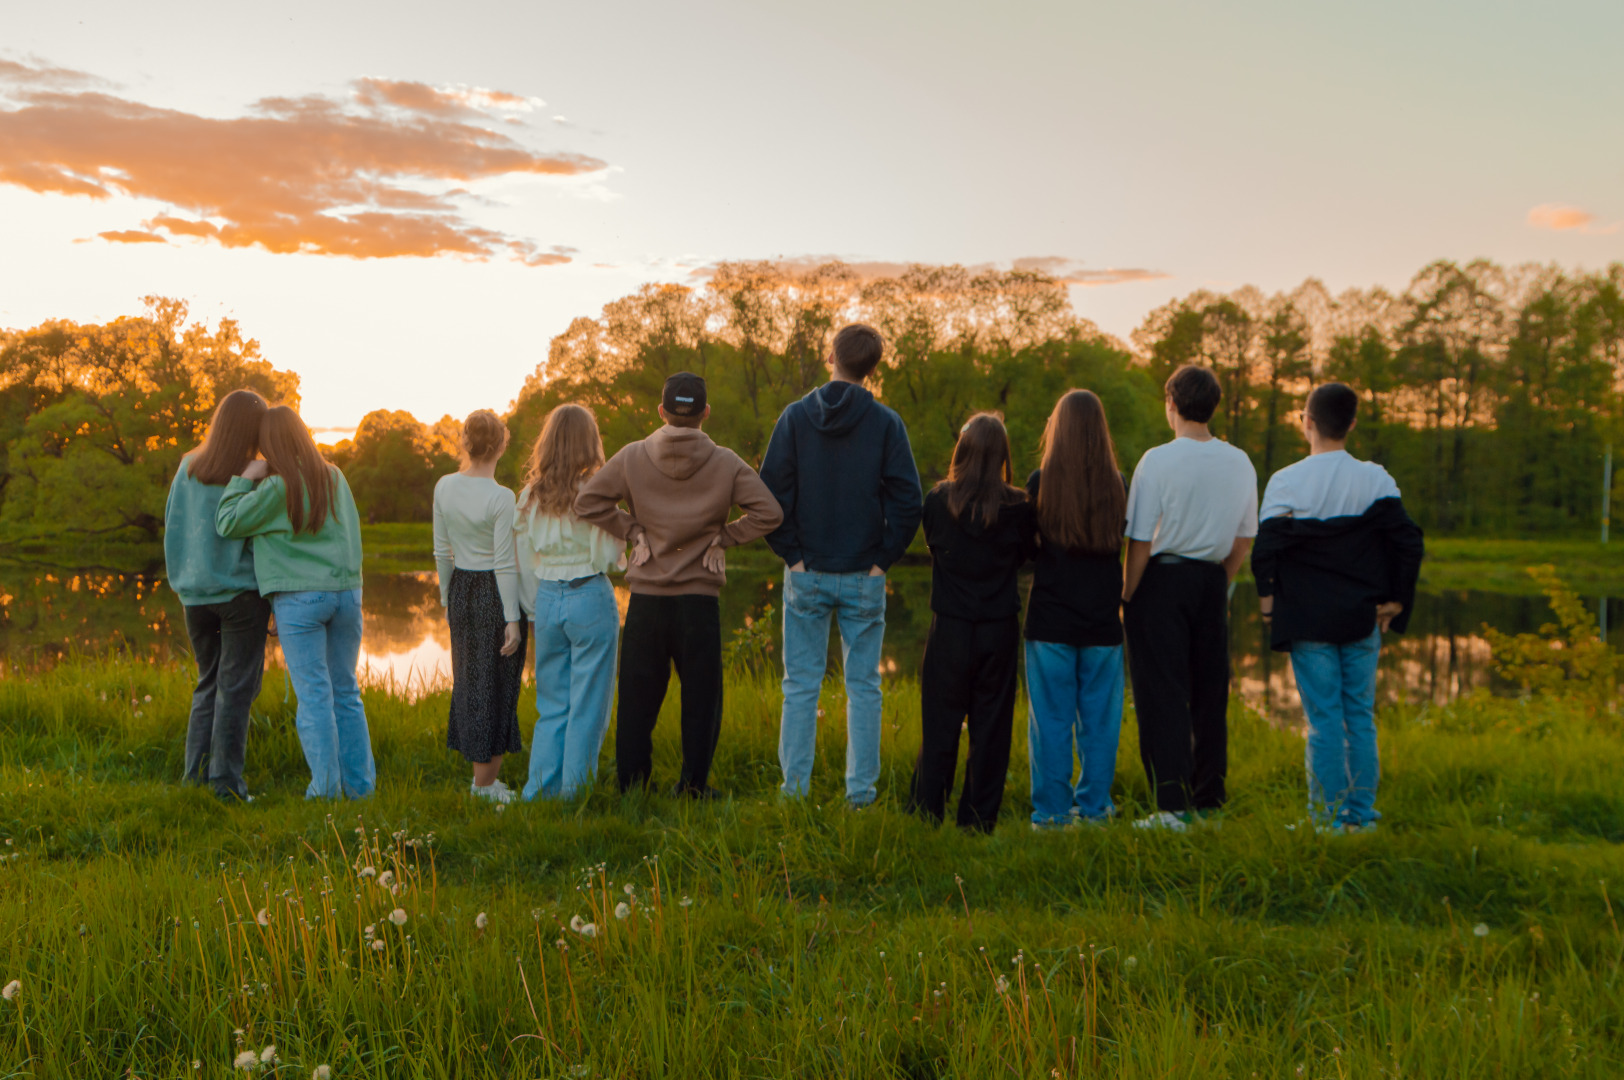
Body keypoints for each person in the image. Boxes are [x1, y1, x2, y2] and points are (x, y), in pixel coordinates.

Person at [575, 372, 783, 798]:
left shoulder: (633, 456)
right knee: (701, 702)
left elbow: (588, 502)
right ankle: (693, 787)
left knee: (636, 701)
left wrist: (633, 530)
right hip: (699, 602)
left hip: (647, 601)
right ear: (706, 412)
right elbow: (770, 513)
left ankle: (632, 786)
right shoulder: (726, 461)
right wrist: (723, 537)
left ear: (661, 411)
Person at [759, 323, 923, 808]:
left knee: (800, 687)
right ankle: (860, 798)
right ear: (873, 369)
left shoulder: (793, 418)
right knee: (864, 689)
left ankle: (794, 796)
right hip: (860, 578)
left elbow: (767, 498)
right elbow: (908, 502)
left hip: (809, 575)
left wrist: (794, 556)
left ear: (831, 355)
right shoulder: (887, 422)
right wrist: (883, 560)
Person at [1251, 382, 1423, 834]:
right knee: (1359, 716)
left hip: (1307, 619)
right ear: (1350, 424)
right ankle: (1360, 818)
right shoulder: (1375, 479)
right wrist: (1398, 600)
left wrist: (1268, 609)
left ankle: (1325, 821)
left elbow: (1265, 551)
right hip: (1362, 616)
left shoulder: (1285, 481)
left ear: (1307, 422)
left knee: (1324, 721)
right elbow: (1407, 541)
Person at [1122, 365, 1257, 831]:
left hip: (1161, 580)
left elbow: (1139, 540)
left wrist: (1127, 594)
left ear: (1171, 404)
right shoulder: (1240, 461)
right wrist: (1221, 581)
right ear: (1213, 407)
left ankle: (1171, 807)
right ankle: (1210, 801)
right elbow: (1244, 538)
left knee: (1162, 694)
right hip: (1210, 581)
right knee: (1208, 693)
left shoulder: (1156, 460)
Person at [215, 406, 373, 800]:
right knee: (346, 692)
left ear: (270, 445)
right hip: (347, 595)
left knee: (315, 696)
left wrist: (243, 479)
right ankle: (361, 790)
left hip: (300, 601)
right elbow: (352, 538)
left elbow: (227, 522)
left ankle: (325, 791)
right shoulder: (335, 476)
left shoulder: (276, 487)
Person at [907, 413, 1034, 833]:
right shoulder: (1019, 507)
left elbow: (933, 544)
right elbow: (1024, 558)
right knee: (991, 727)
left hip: (950, 628)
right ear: (1002, 455)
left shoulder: (938, 501)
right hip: (998, 627)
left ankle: (927, 811)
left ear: (961, 452)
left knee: (940, 722)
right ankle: (978, 820)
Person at [1024, 389, 1128, 829]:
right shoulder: (1118, 484)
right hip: (1103, 619)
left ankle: (1050, 814)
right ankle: (1094, 808)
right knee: (1100, 724)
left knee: (1050, 720)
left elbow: (1028, 552)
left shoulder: (1039, 482)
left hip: (1050, 618)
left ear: (1057, 428)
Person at [514, 404, 625, 801]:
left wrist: (530, 608)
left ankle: (539, 792)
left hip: (547, 600)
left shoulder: (529, 496)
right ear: (589, 443)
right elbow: (612, 555)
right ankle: (575, 796)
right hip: (589, 596)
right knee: (588, 706)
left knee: (552, 704)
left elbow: (524, 559)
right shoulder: (595, 492)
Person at [164, 388, 272, 802]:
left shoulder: (188, 466)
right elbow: (260, 536)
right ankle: (226, 785)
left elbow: (173, 526)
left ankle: (196, 777)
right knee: (237, 689)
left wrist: (182, 581)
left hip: (195, 595)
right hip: (242, 594)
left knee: (207, 684)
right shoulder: (253, 472)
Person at [433, 410, 526, 804]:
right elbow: (505, 562)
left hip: (461, 588)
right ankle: (484, 787)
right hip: (493, 592)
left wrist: (445, 598)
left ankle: (483, 781)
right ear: (502, 445)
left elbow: (441, 550)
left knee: (471, 683)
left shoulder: (444, 486)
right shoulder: (502, 497)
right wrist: (512, 619)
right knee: (497, 685)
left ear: (465, 443)